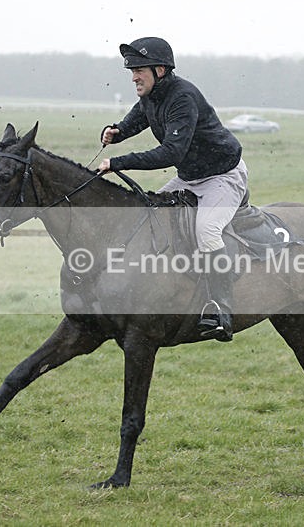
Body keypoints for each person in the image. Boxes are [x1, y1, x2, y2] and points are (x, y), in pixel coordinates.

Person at [98, 37, 247, 342]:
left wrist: (118, 162)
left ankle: (221, 309)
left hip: (223, 176)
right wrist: (118, 131)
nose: (134, 76)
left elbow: (170, 154)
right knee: (151, 214)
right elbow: (138, 118)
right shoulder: (152, 95)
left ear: (161, 70)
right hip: (190, 177)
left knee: (207, 230)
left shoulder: (182, 98)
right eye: (132, 71)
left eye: (139, 70)